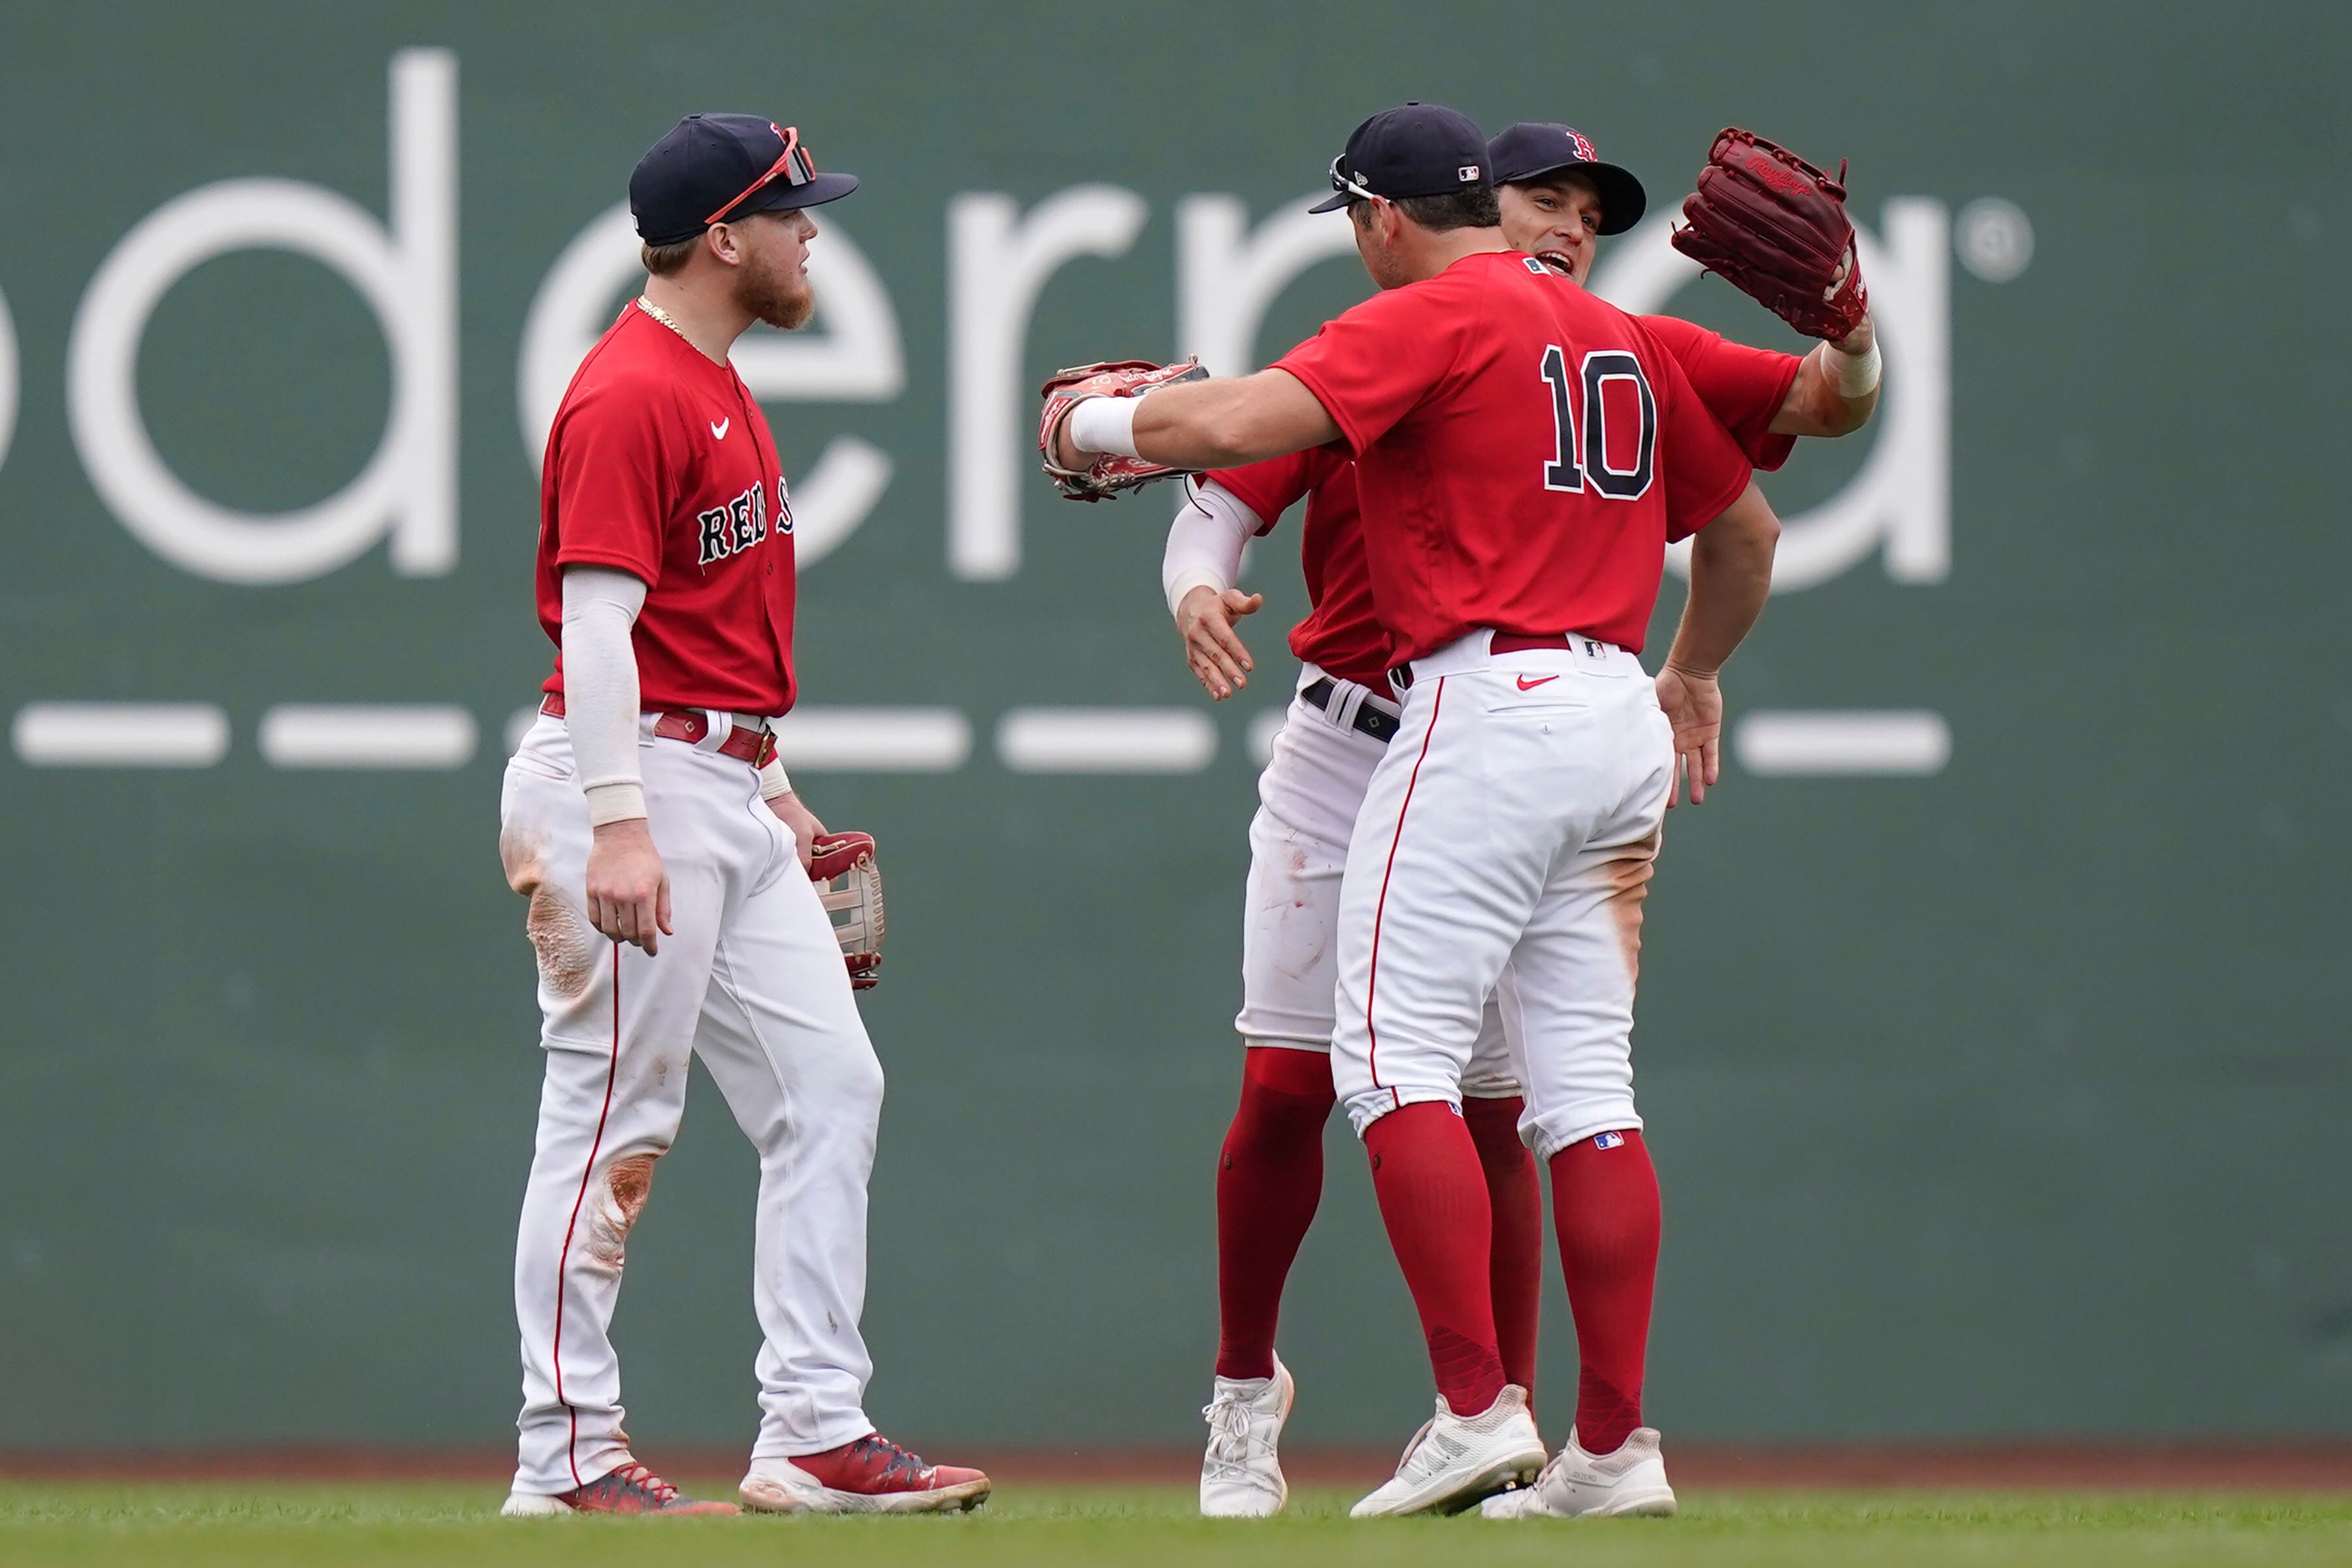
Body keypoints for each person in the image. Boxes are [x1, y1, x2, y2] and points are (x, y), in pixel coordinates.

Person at [1048, 101, 1774, 1516]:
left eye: (1588, 207)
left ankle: (1472, 1408)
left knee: (1394, 1066)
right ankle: (1610, 1447)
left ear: (1382, 217)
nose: (1570, 225)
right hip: (1591, 713)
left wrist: (1088, 422)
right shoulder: (1616, 338)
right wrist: (1693, 670)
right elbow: (1750, 522)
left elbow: (1224, 422)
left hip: (1478, 717)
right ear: (1489, 202)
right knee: (1579, 1094)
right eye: (1548, 198)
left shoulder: (1426, 322)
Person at [497, 112, 987, 1517]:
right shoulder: (630, 390)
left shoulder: (717, 383)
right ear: (724, 236)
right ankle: (566, 1454)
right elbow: (597, 627)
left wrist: (771, 790)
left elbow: (703, 635)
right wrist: (623, 821)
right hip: (626, 782)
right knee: (610, 1119)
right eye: (792, 211)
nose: (811, 230)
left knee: (834, 1089)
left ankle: (814, 1432)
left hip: (719, 778)